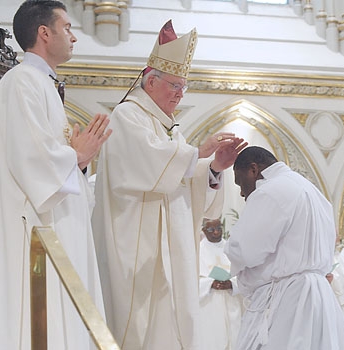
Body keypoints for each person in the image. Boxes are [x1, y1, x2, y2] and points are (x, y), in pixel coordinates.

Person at [92, 20, 246, 350]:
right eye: (174, 85)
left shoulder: (173, 131)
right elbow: (152, 166)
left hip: (172, 250)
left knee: (173, 325)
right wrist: (200, 151)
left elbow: (184, 180)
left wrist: (216, 167)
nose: (179, 94)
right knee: (137, 328)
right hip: (138, 246)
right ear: (150, 81)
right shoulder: (127, 116)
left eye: (183, 87)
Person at [0, 1, 112, 349]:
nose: (74, 37)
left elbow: (50, 159)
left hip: (57, 224)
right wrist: (77, 154)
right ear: (44, 33)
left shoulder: (43, 83)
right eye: (67, 28)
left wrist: (78, 160)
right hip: (34, 229)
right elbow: (30, 157)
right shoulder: (21, 82)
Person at [224, 146, 344, 349]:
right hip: (319, 295)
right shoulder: (313, 191)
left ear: (253, 169)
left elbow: (244, 250)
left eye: (240, 182)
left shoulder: (269, 191)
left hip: (287, 298)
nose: (242, 192)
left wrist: (232, 252)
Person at [199, 217, 243, 350]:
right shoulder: (197, 251)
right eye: (211, 229)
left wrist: (232, 284)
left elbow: (244, 275)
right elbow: (191, 282)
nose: (216, 232)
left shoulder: (232, 249)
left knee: (234, 339)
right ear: (203, 230)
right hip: (210, 306)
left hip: (231, 302)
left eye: (219, 228)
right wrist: (210, 284)